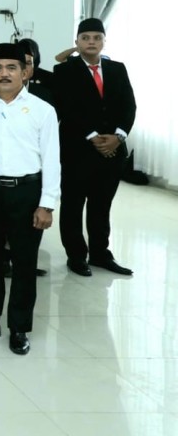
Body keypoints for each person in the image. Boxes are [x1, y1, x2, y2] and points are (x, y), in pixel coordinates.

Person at [0, 43, 61, 355]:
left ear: (25, 72)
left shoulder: (42, 109)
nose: (4, 74)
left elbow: (51, 159)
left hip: (27, 192)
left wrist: (47, 203)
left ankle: (19, 328)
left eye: (11, 68)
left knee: (24, 262)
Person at [52, 18, 137, 277]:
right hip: (77, 150)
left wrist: (118, 136)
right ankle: (76, 255)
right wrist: (93, 136)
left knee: (102, 205)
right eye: (86, 37)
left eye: (97, 37)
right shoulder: (64, 71)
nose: (92, 42)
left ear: (104, 41)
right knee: (73, 204)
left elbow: (129, 105)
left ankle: (100, 253)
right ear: (77, 42)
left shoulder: (117, 69)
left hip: (113, 151)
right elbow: (66, 107)